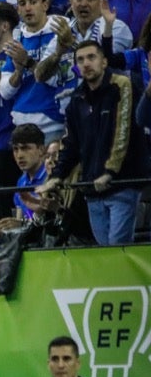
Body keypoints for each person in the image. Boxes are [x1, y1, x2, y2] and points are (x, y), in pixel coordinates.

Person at [41, 39, 148, 246]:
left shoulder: (123, 85)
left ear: (104, 62)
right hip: (92, 187)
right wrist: (56, 176)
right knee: (103, 249)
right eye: (80, 60)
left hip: (122, 182)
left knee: (118, 246)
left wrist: (110, 172)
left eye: (91, 57)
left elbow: (123, 132)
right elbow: (71, 143)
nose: (86, 64)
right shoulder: (77, 99)